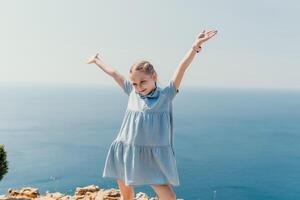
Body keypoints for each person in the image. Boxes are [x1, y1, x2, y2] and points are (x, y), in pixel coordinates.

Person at [86, 30, 217, 200]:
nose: (139, 87)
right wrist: (96, 60)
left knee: (167, 195)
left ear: (153, 76)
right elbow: (114, 73)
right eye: (134, 83)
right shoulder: (132, 92)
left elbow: (182, 67)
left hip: (153, 156)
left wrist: (194, 47)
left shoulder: (166, 95)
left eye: (143, 82)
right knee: (126, 193)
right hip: (127, 149)